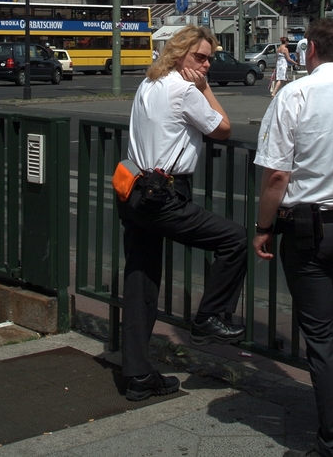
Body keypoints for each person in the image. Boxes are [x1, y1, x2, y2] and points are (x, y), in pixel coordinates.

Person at [252, 19, 333, 457]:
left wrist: (263, 228)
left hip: (310, 226)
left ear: (310, 49)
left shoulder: (296, 93)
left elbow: (276, 175)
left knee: (323, 335)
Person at [116, 25, 247, 402]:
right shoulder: (186, 90)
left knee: (141, 279)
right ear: (179, 55)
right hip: (165, 194)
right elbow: (223, 128)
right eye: (199, 57)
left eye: (209, 58)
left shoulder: (149, 84)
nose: (206, 65)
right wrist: (205, 89)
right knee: (234, 238)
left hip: (135, 189)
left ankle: (139, 376)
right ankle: (209, 318)